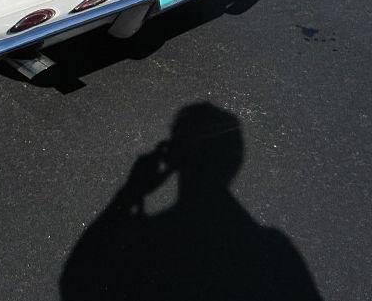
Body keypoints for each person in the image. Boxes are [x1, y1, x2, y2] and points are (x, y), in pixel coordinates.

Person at [60, 102, 322, 300]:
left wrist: (131, 191)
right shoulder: (275, 249)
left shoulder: (150, 239)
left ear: (174, 156)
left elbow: (75, 280)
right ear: (235, 161)